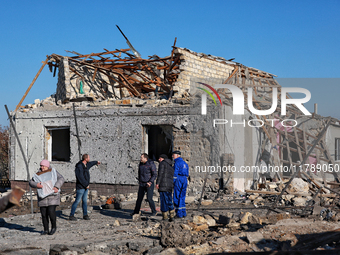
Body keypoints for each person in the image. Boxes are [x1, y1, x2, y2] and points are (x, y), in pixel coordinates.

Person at [29, 159, 64, 235]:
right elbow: (31, 182)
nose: (42, 167)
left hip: (53, 196)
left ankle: (54, 227)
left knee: (51, 212)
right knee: (44, 214)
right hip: (43, 197)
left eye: (43, 166)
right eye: (41, 166)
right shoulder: (38, 174)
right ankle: (45, 229)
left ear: (47, 166)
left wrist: (57, 186)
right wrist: (36, 185)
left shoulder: (53, 171)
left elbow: (61, 178)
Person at [69, 154, 100, 221]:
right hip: (81, 187)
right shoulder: (79, 166)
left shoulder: (86, 165)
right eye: (88, 157)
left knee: (85, 201)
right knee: (77, 201)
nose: (89, 159)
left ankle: (85, 215)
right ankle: (71, 215)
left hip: (86, 187)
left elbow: (91, 164)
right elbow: (80, 177)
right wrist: (86, 185)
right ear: (86, 159)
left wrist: (96, 162)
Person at [156, 154, 175, 221]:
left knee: (164, 201)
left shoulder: (162, 164)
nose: (159, 160)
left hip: (163, 185)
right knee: (169, 200)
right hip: (169, 186)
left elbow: (160, 174)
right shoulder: (171, 165)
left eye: (160, 158)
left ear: (163, 158)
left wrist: (157, 183)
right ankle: (172, 216)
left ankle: (165, 217)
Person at [172, 150, 189, 218]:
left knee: (176, 196)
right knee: (182, 196)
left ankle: (179, 214)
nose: (172, 156)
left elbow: (175, 173)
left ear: (177, 155)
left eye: (173, 155)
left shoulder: (177, 163)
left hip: (179, 179)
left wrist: (173, 181)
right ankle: (183, 212)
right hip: (184, 179)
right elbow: (187, 173)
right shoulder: (185, 163)